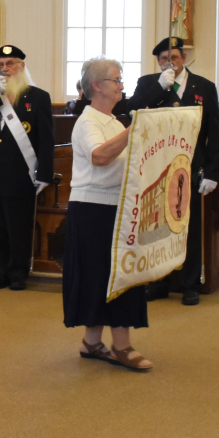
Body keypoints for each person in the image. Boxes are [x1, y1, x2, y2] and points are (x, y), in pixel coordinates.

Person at [62, 57, 151, 371]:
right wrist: (133, 131)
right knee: (99, 275)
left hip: (116, 205)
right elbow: (99, 156)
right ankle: (121, 347)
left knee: (112, 274)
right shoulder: (88, 122)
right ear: (97, 86)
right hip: (92, 209)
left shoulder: (112, 121)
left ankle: (92, 343)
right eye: (116, 79)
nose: (122, 85)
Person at [127, 37, 219, 306]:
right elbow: (131, 110)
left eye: (175, 58)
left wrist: (213, 172)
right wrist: (159, 89)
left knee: (188, 225)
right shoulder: (148, 83)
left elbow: (214, 132)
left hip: (191, 167)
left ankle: (189, 283)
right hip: (157, 167)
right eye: (164, 60)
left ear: (184, 59)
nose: (170, 63)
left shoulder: (204, 86)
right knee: (157, 225)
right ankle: (159, 282)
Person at [0, 45, 54, 291]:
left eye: (11, 64)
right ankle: (0, 273)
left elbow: (46, 139)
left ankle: (18, 273)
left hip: (20, 173)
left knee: (18, 226)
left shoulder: (37, 97)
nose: (5, 69)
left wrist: (44, 173)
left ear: (22, 66)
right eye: (1, 64)